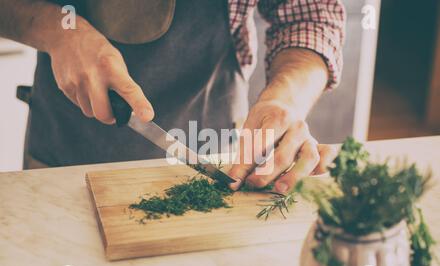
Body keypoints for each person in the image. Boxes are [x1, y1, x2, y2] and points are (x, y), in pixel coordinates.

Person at [0, 0, 346, 194]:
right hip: (63, 157)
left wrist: (284, 100)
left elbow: (312, 14)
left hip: (217, 151)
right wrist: (57, 29)